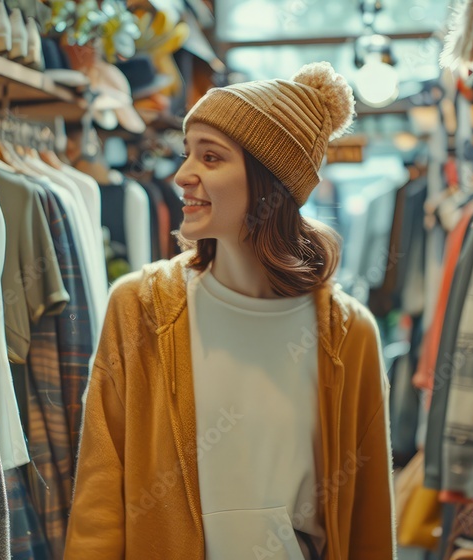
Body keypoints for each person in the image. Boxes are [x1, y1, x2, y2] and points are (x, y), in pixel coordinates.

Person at [64, 61, 396, 560]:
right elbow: (100, 495)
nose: (182, 175)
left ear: (269, 181)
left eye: (211, 157)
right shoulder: (141, 308)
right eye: (187, 153)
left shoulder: (346, 333)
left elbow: (369, 516)